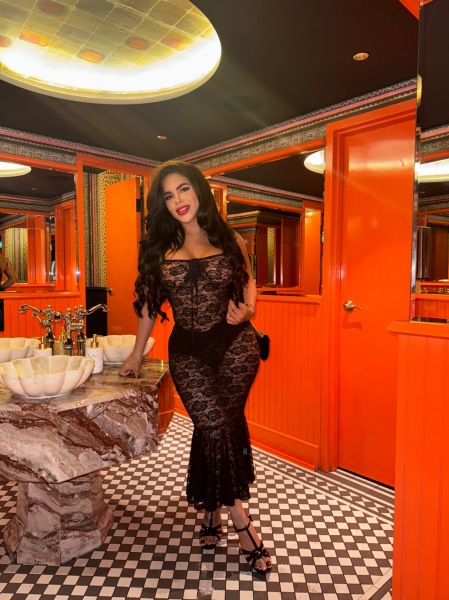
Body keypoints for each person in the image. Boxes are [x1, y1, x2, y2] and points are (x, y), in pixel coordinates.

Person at [119, 160, 272, 576]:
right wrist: (136, 353)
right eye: (168, 196)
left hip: (236, 348)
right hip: (187, 351)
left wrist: (249, 309)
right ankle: (240, 518)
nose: (178, 201)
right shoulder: (156, 248)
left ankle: (211, 510)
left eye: (183, 189)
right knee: (211, 423)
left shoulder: (229, 238)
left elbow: (248, 280)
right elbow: (148, 305)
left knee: (223, 424)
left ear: (199, 190)